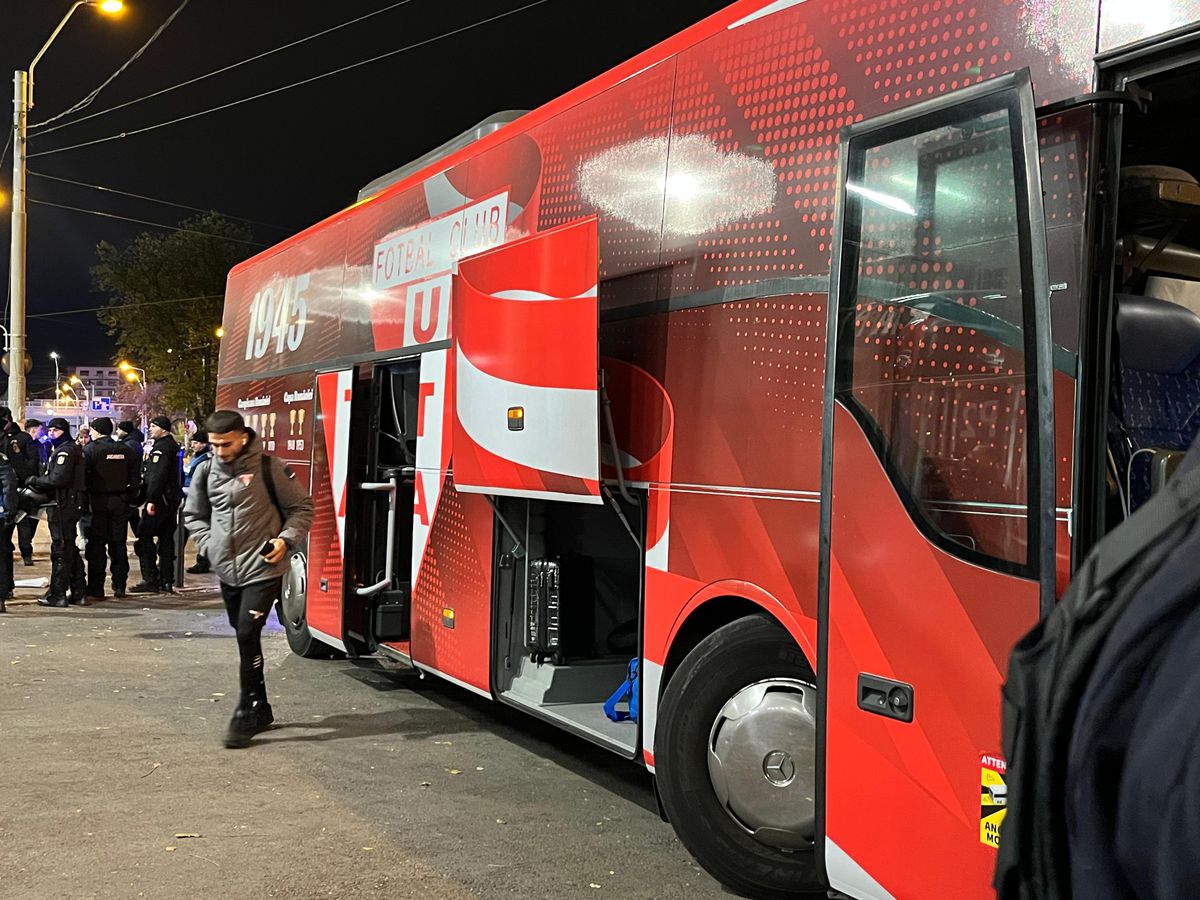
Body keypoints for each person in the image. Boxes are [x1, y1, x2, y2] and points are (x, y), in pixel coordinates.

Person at [183, 410, 313, 749]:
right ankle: (261, 707)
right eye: (214, 445)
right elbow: (194, 515)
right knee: (245, 636)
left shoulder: (270, 467)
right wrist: (210, 546)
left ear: (243, 437)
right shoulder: (205, 471)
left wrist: (285, 540)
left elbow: (302, 508)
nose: (220, 451)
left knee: (246, 631)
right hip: (227, 570)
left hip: (263, 569)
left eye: (226, 444)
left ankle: (247, 710)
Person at [82, 417, 141, 602]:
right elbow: (135, 479)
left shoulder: (91, 450)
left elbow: (83, 477)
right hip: (120, 501)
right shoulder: (126, 450)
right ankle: (120, 585)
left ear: (97, 431)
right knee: (118, 544)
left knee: (97, 546)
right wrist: (130, 498)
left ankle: (96, 588)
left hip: (97, 502)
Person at [29, 418, 86, 607]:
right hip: (67, 503)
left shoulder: (65, 451)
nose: (52, 433)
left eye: (56, 430)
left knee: (60, 549)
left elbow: (57, 479)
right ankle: (78, 591)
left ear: (64, 431)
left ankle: (57, 593)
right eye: (50, 430)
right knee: (68, 547)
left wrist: (35, 481)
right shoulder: (67, 449)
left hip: (63, 503)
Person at [132, 416, 181, 594]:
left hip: (160, 500)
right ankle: (166, 579)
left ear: (163, 429)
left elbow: (157, 476)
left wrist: (151, 499)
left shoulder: (162, 448)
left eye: (154, 426)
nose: (150, 429)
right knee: (166, 539)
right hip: (170, 500)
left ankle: (150, 578)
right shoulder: (173, 446)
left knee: (144, 536)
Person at [17, 418, 49, 565]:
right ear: (34, 430)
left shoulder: (37, 445)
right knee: (27, 520)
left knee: (26, 519)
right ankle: (26, 552)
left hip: (27, 487)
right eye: (40, 430)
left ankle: (26, 552)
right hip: (32, 487)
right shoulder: (34, 446)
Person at [183, 431, 212, 574]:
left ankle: (203, 562)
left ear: (204, 444)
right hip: (189, 495)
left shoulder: (207, 459)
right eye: (192, 442)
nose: (193, 445)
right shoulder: (196, 457)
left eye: (196, 443)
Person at [115, 420, 144, 540]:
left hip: (129, 484)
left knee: (129, 514)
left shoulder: (129, 445)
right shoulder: (132, 443)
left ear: (125, 431)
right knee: (131, 513)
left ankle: (142, 539)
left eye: (119, 429)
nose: (117, 431)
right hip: (132, 483)